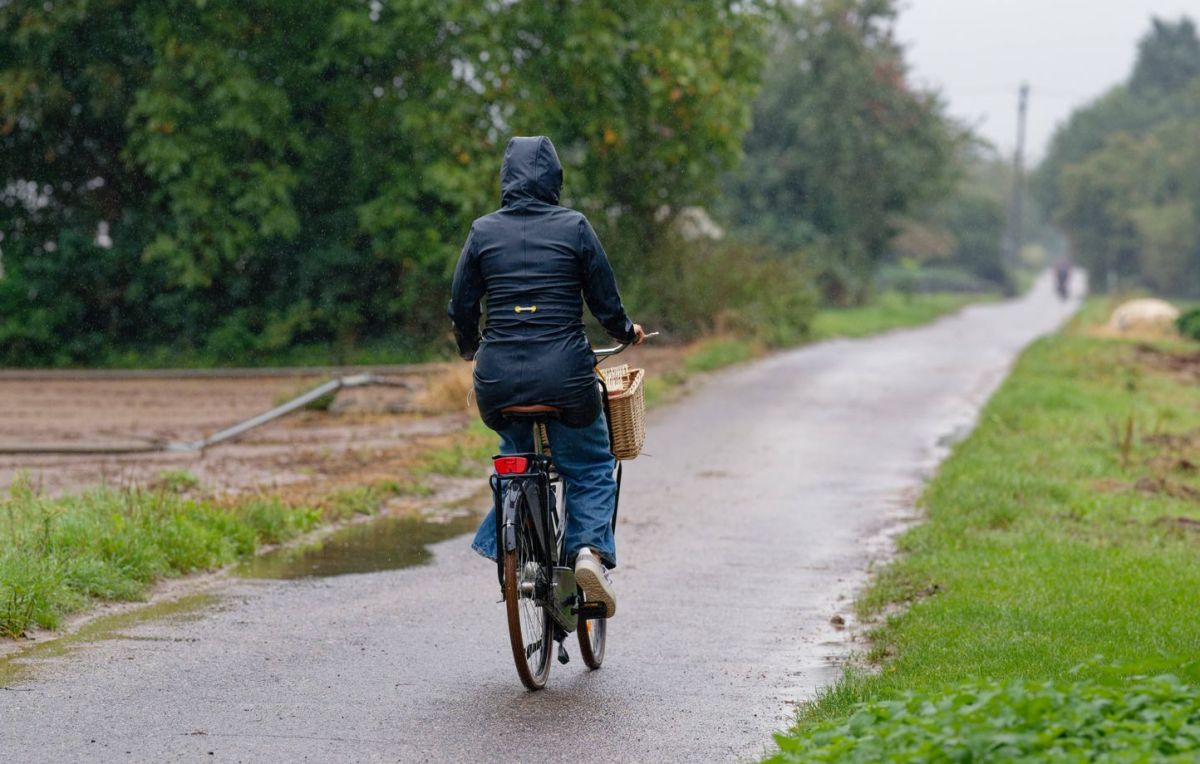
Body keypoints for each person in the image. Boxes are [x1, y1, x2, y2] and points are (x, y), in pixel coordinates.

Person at [448, 135, 644, 616]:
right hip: (565, 376)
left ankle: (515, 549)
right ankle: (587, 553)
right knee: (592, 466)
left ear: (506, 180)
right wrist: (626, 331)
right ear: (554, 179)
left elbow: (461, 304)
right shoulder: (574, 227)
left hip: (497, 381)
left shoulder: (482, 231)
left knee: (515, 458)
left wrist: (471, 349)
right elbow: (604, 299)